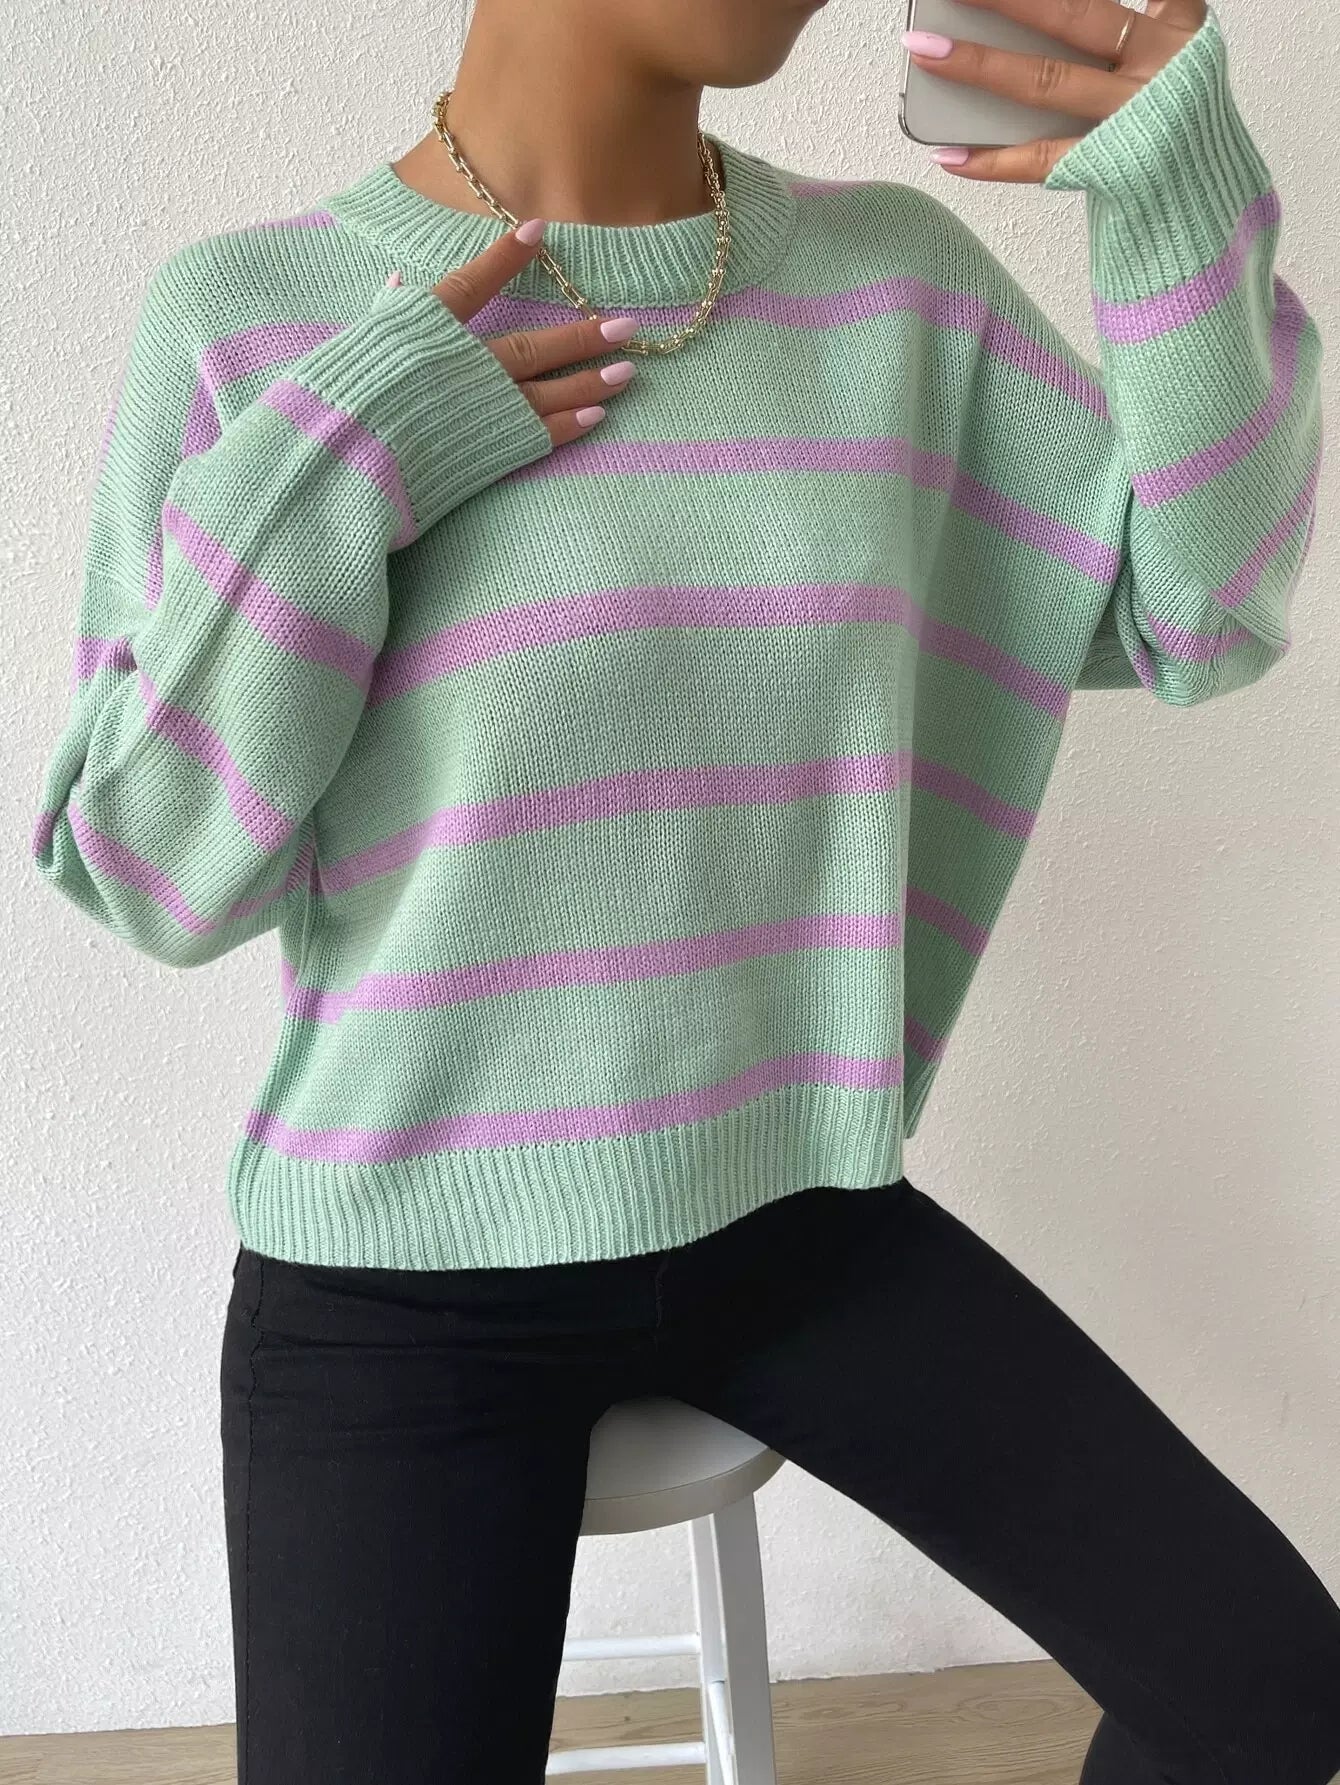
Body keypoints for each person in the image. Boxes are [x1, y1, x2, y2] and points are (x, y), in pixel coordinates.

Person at [30, 0, 1338, 1779]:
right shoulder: (248, 315)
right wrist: (348, 453)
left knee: (1273, 1692)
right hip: (404, 1275)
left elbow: (1201, 610)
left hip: (797, 1219)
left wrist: (1176, 200)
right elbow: (149, 870)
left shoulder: (893, 290)